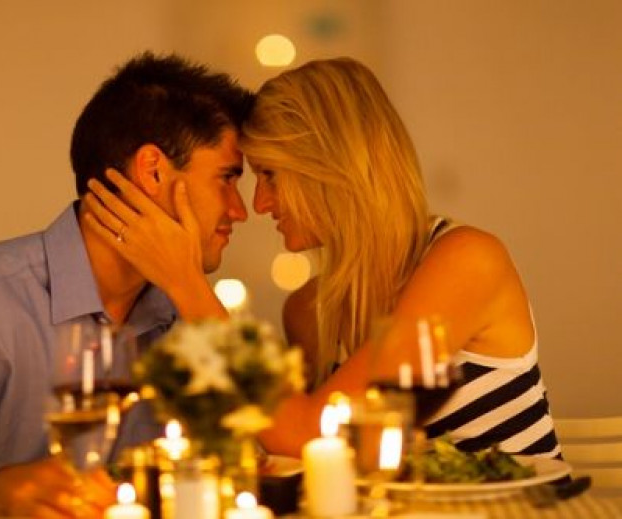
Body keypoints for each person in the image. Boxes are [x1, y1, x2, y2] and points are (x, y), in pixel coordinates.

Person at [0, 52, 253, 518]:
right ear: (153, 170)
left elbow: (254, 452)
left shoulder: (187, 312)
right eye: (227, 178)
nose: (239, 210)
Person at [88, 57, 561, 461]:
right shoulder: (308, 310)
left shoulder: (466, 260)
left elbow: (306, 434)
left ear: (331, 167)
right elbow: (319, 458)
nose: (259, 204)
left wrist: (186, 282)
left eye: (271, 175)